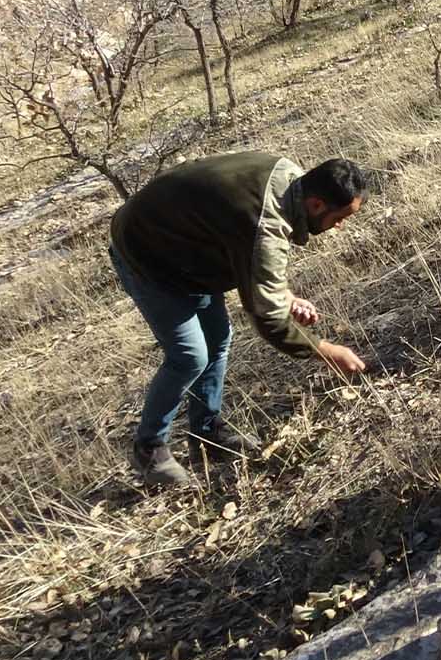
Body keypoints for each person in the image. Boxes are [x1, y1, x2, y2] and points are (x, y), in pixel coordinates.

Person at [108, 151, 371, 487]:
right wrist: (326, 351)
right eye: (339, 218)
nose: (339, 226)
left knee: (218, 338)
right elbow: (268, 318)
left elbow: (248, 248)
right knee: (189, 356)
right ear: (317, 205)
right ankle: (149, 449)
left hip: (183, 244)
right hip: (146, 254)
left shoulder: (289, 177)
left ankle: (206, 433)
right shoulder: (264, 220)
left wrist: (283, 296)